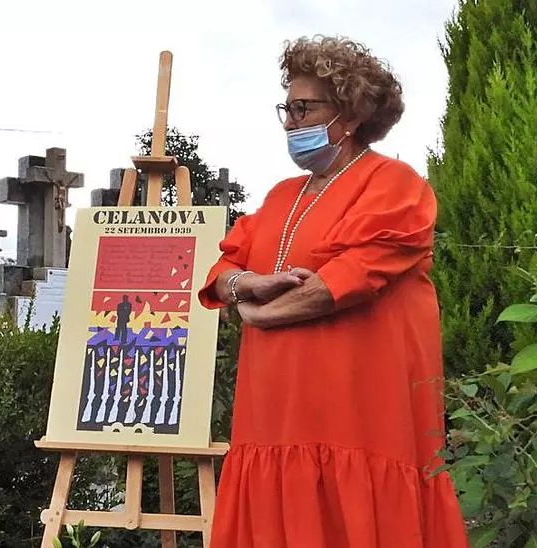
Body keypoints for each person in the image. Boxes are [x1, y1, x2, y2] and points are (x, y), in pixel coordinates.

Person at [198, 35, 468, 547]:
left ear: (351, 115)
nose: (289, 122)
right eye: (287, 109)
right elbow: (223, 266)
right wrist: (243, 283)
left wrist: (259, 313)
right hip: (271, 421)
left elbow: (350, 279)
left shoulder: (394, 184)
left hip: (354, 420)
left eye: (303, 108)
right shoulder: (281, 196)